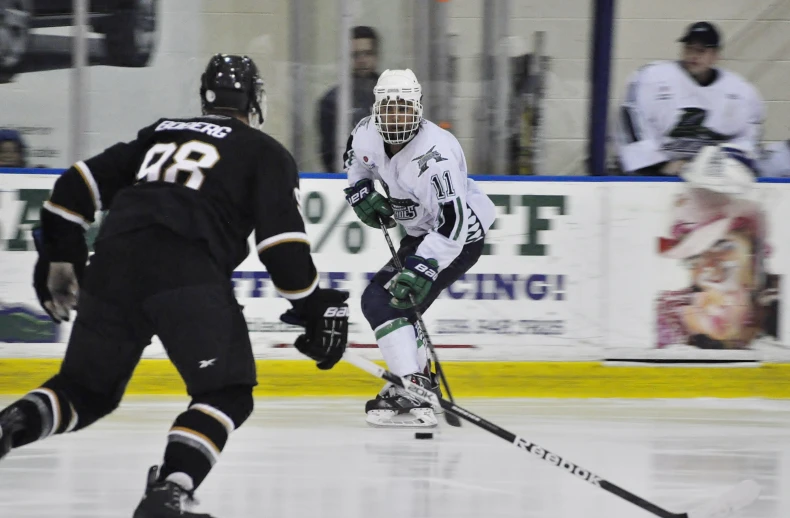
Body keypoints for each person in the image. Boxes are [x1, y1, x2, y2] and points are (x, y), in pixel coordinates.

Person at [0, 54, 349, 518]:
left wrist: (61, 253)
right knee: (226, 392)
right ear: (254, 101)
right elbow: (282, 249)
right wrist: (312, 308)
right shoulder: (264, 152)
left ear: (205, 95)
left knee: (84, 390)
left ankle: (15, 422)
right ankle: (171, 490)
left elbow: (76, 183)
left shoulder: (162, 132)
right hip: (186, 269)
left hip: (112, 262)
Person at [342, 69, 496, 428]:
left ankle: (411, 386)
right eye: (389, 109)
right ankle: (416, 381)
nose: (397, 117)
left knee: (381, 301)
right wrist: (360, 192)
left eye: (405, 108)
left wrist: (424, 266)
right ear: (376, 109)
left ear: (419, 109)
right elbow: (355, 161)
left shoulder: (434, 156)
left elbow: (454, 223)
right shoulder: (365, 134)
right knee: (400, 310)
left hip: (457, 239)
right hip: (419, 233)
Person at [615, 21, 764, 176]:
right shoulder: (651, 79)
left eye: (701, 50)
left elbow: (747, 144)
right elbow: (632, 124)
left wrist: (723, 169)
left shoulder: (741, 92)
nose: (693, 55)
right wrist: (660, 166)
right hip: (654, 177)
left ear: (716, 55)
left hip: (713, 182)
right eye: (689, 48)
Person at [318, 25, 380, 172]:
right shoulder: (331, 101)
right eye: (356, 55)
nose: (362, 60)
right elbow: (329, 154)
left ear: (376, 56)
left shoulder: (394, 97)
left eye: (367, 53)